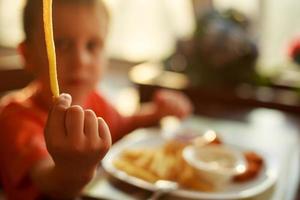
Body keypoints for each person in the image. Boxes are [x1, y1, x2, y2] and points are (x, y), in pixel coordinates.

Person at [0, 0, 193, 199]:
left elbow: (122, 125)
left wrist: (157, 112)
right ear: (27, 55)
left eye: (92, 45)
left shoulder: (95, 100)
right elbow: (48, 182)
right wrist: (74, 170)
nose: (81, 60)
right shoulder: (16, 118)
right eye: (61, 44)